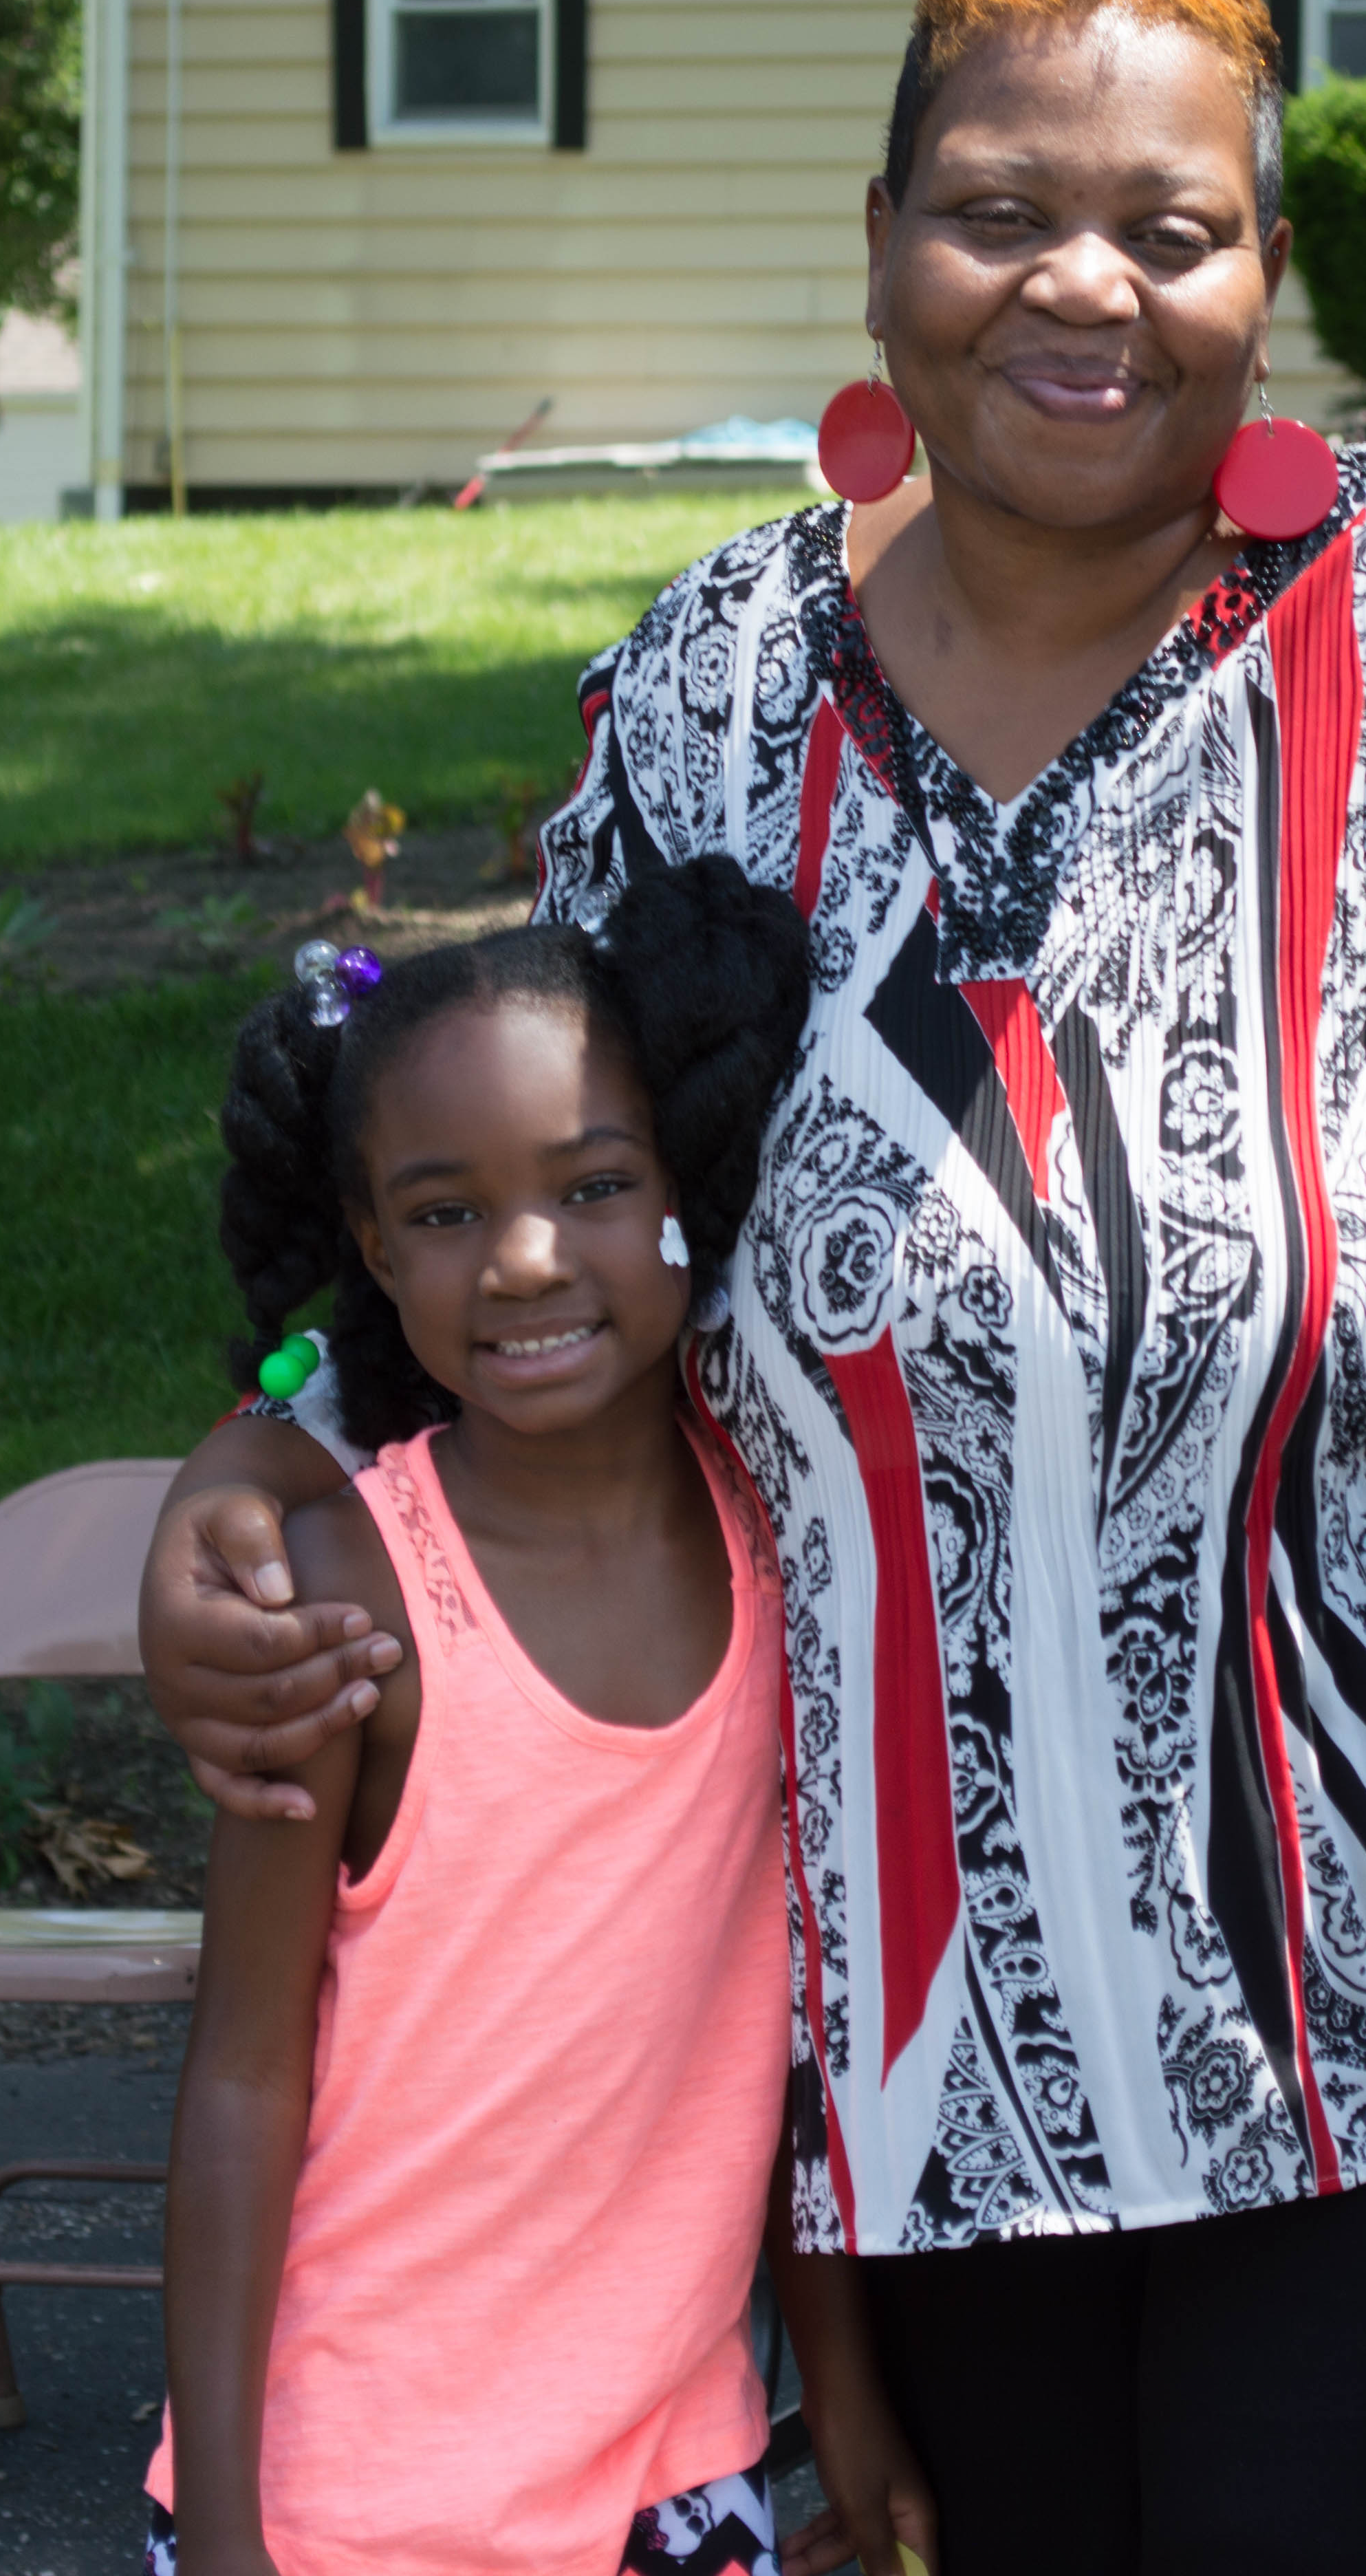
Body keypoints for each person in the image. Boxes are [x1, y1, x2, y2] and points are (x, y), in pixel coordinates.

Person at [140, 0, 1366, 2573]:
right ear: (886, 248)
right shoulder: (712, 695)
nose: (1078, 289)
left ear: (1266, 274)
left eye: (1171, 226)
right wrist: (256, 1461)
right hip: (920, 2109)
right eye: (1000, 210)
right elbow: (517, 1193)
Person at [149, 865, 935, 2576]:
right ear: (368, 1243)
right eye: (442, 1213)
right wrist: (220, 2526)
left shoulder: (789, 1548)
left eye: (591, 1184)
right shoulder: (347, 1603)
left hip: (675, 2486)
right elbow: (236, 2074)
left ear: (687, 1190)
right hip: (345, 2504)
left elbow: (784, 2042)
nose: (521, 1257)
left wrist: (847, 2408)